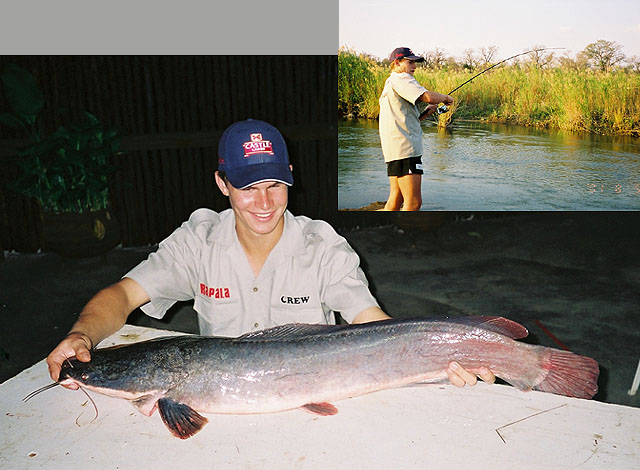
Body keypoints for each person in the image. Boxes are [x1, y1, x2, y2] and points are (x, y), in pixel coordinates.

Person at [47, 118, 494, 390]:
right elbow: (121, 296)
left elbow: (370, 324)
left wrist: (442, 357)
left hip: (316, 392)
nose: (264, 203)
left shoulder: (324, 246)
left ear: (290, 178)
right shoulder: (196, 241)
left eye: (275, 185)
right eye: (247, 188)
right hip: (223, 397)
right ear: (222, 185)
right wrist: (81, 336)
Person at [379, 47, 454, 211]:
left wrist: (427, 112)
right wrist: (447, 98)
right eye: (410, 62)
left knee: (396, 199)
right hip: (406, 150)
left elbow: (406, 119)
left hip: (395, 149)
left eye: (415, 62)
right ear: (397, 63)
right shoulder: (401, 78)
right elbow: (427, 96)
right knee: (413, 203)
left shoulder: (391, 82)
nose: (414, 66)